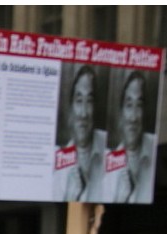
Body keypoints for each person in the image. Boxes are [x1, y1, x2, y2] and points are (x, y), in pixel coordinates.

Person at [53, 66, 106, 202]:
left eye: (89, 101)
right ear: (71, 107)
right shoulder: (57, 165)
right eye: (79, 101)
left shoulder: (108, 149)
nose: (83, 113)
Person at [107, 71, 156, 204]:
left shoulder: (155, 149)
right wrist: (119, 198)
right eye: (129, 105)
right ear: (121, 111)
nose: (133, 117)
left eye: (138, 106)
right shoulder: (108, 167)